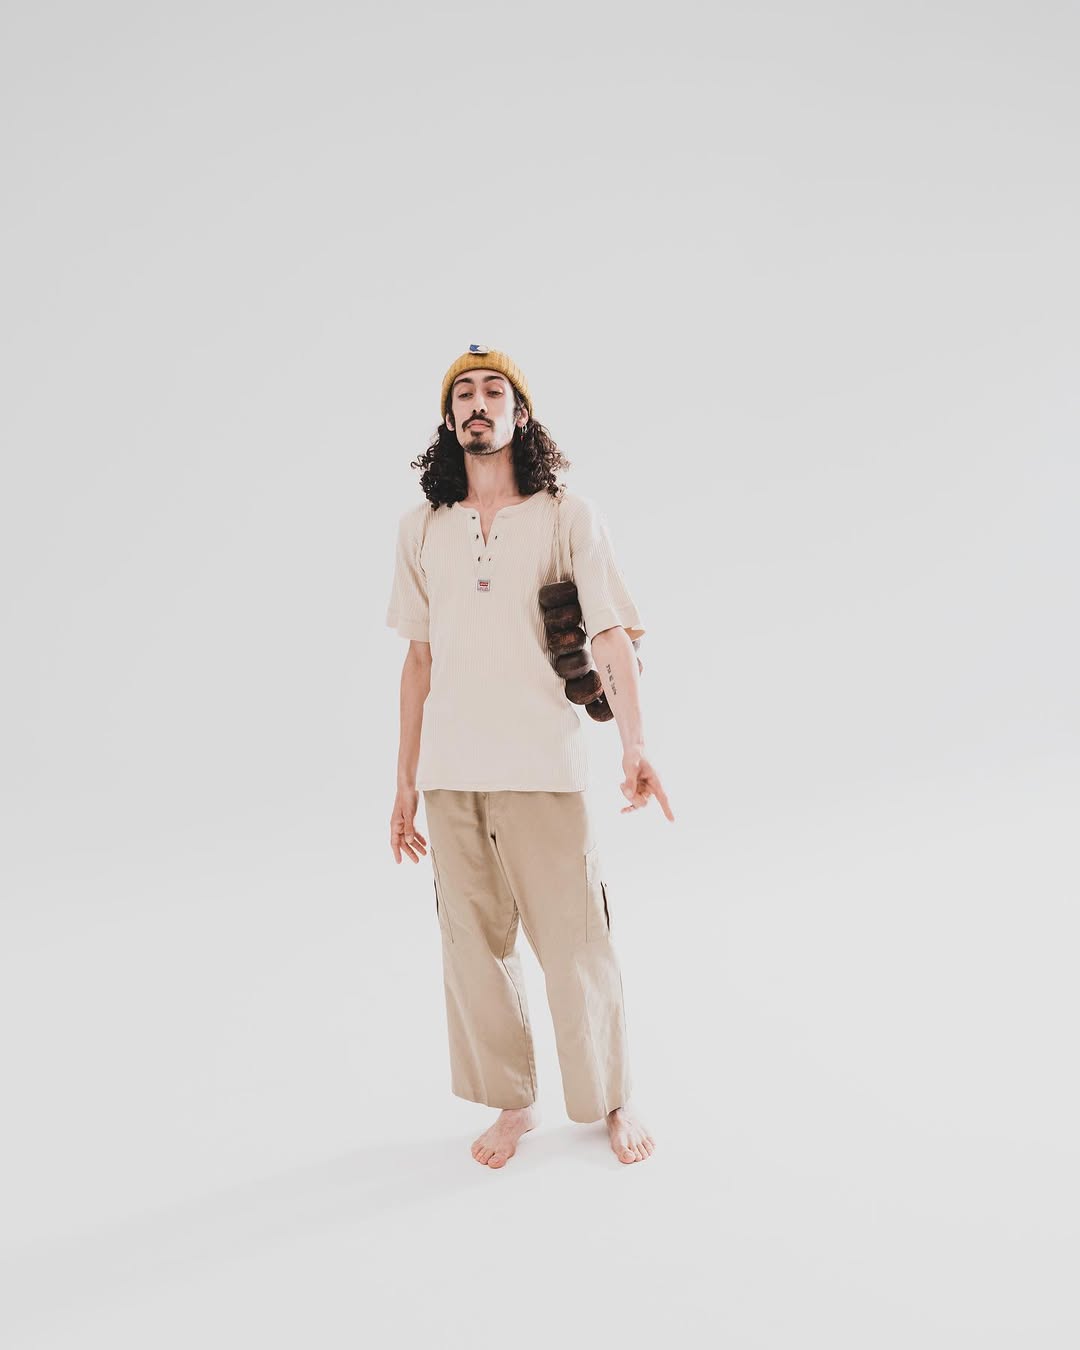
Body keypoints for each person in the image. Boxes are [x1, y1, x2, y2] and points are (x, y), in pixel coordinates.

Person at [385, 344, 674, 1168]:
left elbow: (610, 632)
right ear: (449, 420)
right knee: (473, 952)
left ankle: (611, 1097)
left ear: (520, 414)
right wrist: (404, 784)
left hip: (543, 769)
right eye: (463, 395)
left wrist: (635, 744)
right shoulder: (421, 529)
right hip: (452, 776)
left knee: (577, 944)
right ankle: (514, 1102)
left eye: (493, 392)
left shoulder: (566, 516)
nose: (477, 404)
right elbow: (418, 661)